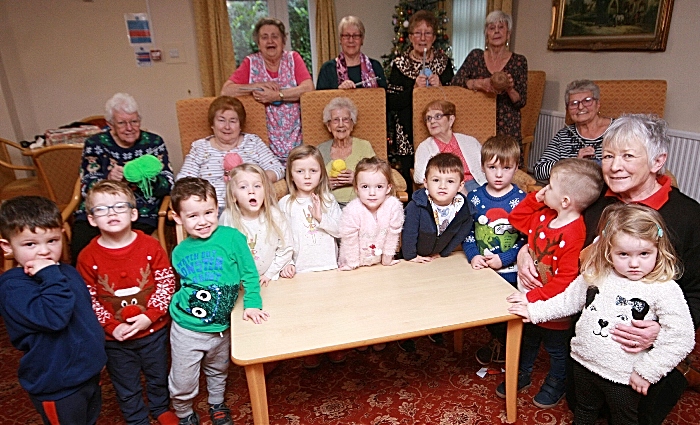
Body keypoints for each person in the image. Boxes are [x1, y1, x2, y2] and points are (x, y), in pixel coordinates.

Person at [517, 115, 700, 424]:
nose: (614, 165)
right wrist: (527, 251)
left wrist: (660, 333)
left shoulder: (689, 217)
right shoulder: (594, 201)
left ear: (658, 160)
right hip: (594, 335)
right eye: (609, 155)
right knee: (582, 408)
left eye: (628, 156)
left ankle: (683, 370)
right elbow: (548, 227)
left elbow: (696, 291)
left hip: (645, 347)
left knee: (635, 416)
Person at [508, 203, 695, 425]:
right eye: (623, 254)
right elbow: (569, 300)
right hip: (583, 363)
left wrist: (648, 372)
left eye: (644, 253)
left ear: (658, 249)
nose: (634, 263)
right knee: (584, 410)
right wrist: (535, 311)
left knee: (624, 419)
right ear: (609, 250)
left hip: (624, 376)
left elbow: (682, 337)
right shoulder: (598, 273)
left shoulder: (664, 288)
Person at [497, 158, 604, 408]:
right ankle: (521, 373)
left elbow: (566, 280)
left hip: (552, 306)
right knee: (529, 340)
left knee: (556, 349)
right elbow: (516, 218)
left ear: (565, 201)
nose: (543, 190)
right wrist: (535, 199)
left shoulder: (574, 232)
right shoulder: (544, 215)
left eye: (550, 187)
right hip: (529, 298)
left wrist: (532, 299)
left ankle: (557, 381)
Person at [76, 181, 178, 425]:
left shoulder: (151, 246)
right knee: (125, 381)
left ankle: (160, 407)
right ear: (91, 219)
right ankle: (136, 418)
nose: (111, 213)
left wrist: (150, 315)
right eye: (102, 209)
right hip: (115, 339)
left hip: (153, 330)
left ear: (133, 213)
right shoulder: (87, 257)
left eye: (119, 207)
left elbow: (166, 283)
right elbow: (88, 298)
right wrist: (111, 326)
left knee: (157, 374)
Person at [169, 177, 269, 425]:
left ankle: (216, 403)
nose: (202, 221)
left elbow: (249, 273)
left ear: (218, 209)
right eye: (192, 216)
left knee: (218, 370)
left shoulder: (232, 238)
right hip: (186, 327)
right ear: (178, 218)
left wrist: (252, 303)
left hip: (221, 327)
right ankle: (183, 412)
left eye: (208, 212)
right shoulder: (179, 252)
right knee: (183, 379)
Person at [0, 196, 107, 425]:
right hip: (57, 384)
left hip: (86, 373)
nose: (44, 252)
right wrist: (49, 274)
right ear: (8, 247)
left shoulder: (66, 272)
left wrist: (97, 355)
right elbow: (55, 317)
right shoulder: (14, 287)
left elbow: (84, 316)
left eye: (52, 240)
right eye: (30, 244)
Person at [72, 92, 174, 263]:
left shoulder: (154, 142)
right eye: (122, 123)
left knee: (133, 252)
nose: (129, 128)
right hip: (100, 210)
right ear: (110, 124)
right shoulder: (95, 144)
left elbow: (169, 183)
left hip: (141, 212)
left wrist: (146, 179)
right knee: (83, 248)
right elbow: (86, 186)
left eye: (134, 121)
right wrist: (108, 179)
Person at [398, 153, 473, 351]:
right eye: (436, 180)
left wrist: (446, 252)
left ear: (460, 185)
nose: (442, 186)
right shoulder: (417, 205)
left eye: (450, 181)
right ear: (425, 182)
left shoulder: (462, 207)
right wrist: (410, 256)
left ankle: (434, 327)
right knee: (411, 297)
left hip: (436, 258)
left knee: (435, 294)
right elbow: (409, 233)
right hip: (412, 258)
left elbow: (463, 230)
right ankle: (407, 334)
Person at [463, 135, 526, 365]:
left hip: (511, 270)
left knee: (508, 312)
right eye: (492, 167)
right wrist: (473, 256)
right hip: (483, 269)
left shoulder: (521, 200)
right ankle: (497, 340)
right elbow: (468, 233)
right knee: (487, 311)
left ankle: (509, 347)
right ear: (482, 167)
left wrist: (505, 258)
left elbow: (526, 241)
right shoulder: (475, 197)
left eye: (506, 168)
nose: (499, 175)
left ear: (516, 168)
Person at [278, 145, 344, 368]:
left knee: (331, 310)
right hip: (302, 267)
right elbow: (281, 237)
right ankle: (309, 349)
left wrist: (320, 217)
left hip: (327, 265)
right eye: (300, 171)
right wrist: (286, 262)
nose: (307, 176)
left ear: (321, 173)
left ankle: (334, 346)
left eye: (313, 171)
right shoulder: (285, 204)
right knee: (305, 313)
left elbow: (341, 230)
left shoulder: (327, 200)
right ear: (291, 174)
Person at [221, 17, 314, 163]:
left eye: (275, 36)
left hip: (297, 139)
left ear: (283, 41)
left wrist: (278, 96)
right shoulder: (250, 63)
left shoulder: (293, 58)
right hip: (262, 146)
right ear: (258, 43)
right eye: (264, 37)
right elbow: (226, 91)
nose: (270, 41)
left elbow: (308, 88)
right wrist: (256, 86)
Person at [387, 10, 454, 195]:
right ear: (410, 37)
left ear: (434, 37)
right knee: (411, 174)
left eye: (428, 33)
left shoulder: (443, 62)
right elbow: (391, 101)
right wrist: (413, 90)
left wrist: (440, 86)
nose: (422, 38)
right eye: (418, 33)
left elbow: (454, 98)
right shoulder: (400, 64)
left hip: (438, 130)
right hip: (406, 130)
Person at [177, 96, 285, 209]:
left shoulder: (253, 142)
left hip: (250, 207)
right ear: (212, 124)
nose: (227, 126)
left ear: (240, 125)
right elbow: (183, 180)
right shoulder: (200, 147)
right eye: (221, 120)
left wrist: (254, 178)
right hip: (212, 209)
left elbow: (278, 169)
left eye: (233, 121)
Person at [452, 10, 527, 164]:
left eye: (501, 27)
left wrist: (509, 88)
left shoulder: (519, 61)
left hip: (507, 123)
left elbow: (521, 101)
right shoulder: (476, 56)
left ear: (508, 34)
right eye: (492, 28)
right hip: (477, 118)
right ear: (486, 33)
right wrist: (479, 84)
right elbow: (455, 82)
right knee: (474, 164)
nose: (496, 32)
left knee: (505, 165)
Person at [220, 164, 293, 286]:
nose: (251, 191)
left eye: (257, 186)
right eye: (243, 187)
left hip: (271, 279)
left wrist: (269, 274)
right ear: (233, 196)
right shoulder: (228, 217)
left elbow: (286, 247)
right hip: (241, 284)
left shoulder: (275, 215)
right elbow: (223, 253)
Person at [533, 80, 614, 181]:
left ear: (598, 104)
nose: (580, 107)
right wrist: (573, 163)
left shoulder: (619, 130)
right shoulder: (564, 136)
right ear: (567, 109)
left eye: (587, 100)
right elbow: (539, 171)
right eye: (573, 103)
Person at [338, 156, 404, 272]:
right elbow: (349, 239)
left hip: (378, 262)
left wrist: (387, 258)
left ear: (388, 188)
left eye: (379, 187)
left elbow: (393, 234)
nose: (372, 193)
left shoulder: (393, 206)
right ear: (357, 189)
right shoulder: (352, 210)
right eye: (365, 187)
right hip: (352, 263)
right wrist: (352, 264)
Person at [413, 100, 486, 193]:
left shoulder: (470, 141)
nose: (432, 121)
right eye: (428, 118)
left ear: (451, 119)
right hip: (447, 190)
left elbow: (488, 167)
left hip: (479, 185)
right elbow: (419, 178)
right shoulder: (425, 147)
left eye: (438, 116)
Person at [317, 97, 376, 206]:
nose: (341, 125)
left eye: (345, 120)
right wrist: (323, 185)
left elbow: (379, 177)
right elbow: (310, 182)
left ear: (352, 124)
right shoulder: (320, 150)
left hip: (360, 205)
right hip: (328, 206)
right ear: (329, 126)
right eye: (335, 120)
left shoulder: (364, 146)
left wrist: (358, 179)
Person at [316, 16, 387, 90]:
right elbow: (320, 99)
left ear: (362, 40)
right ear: (340, 40)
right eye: (346, 36)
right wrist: (338, 92)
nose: (351, 40)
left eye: (356, 36)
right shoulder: (327, 69)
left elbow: (384, 97)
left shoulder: (375, 66)